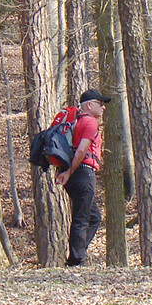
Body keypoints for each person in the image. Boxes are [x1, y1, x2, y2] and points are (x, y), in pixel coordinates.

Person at [55, 89, 111, 267]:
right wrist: (69, 172)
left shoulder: (76, 122)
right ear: (89, 105)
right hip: (82, 172)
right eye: (100, 104)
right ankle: (77, 261)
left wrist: (66, 172)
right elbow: (81, 150)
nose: (103, 108)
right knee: (82, 217)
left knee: (94, 217)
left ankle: (76, 254)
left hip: (73, 174)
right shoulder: (89, 122)